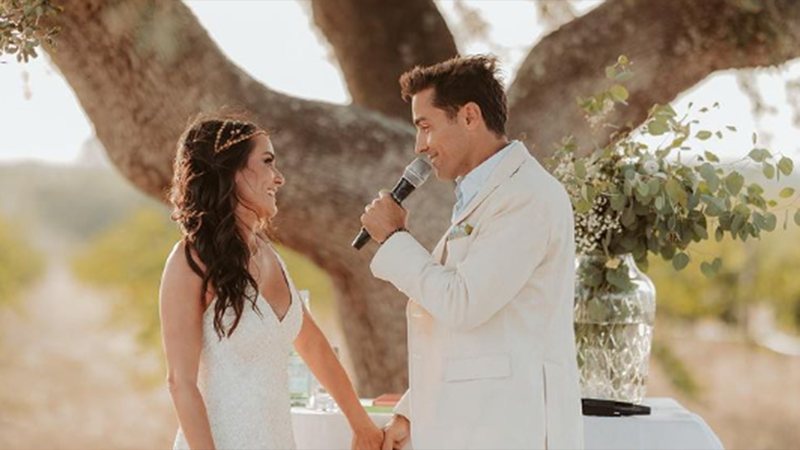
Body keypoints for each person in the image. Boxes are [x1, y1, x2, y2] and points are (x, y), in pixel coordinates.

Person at [360, 55, 584, 449]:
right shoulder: (485, 192)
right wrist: (413, 411)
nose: (420, 146)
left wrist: (395, 239)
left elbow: (464, 303)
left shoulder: (527, 196)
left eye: (426, 126)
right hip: (475, 426)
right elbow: (471, 335)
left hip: (512, 430)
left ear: (469, 116)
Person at [160, 115, 383, 450]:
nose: (279, 179)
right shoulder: (189, 261)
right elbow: (181, 383)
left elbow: (313, 346)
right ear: (230, 171)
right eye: (267, 162)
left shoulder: (269, 256)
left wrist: (362, 425)